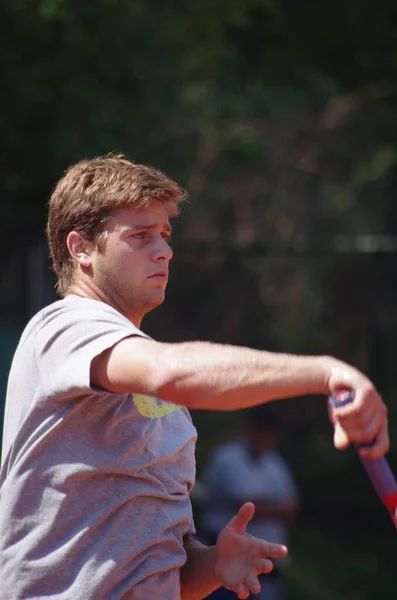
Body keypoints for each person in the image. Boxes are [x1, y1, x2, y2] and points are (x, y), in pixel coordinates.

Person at [0, 154, 389, 600]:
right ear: (81, 248)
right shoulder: (66, 326)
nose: (164, 250)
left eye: (164, 235)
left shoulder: (163, 405)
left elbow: (163, 575)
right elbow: (170, 372)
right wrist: (326, 372)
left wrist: (214, 564)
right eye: (140, 236)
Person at [200, 404, 299, 600]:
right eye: (259, 428)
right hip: (222, 555)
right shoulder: (227, 457)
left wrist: (268, 506)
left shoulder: (276, 464)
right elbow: (248, 506)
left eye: (268, 430)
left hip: (266, 562)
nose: (263, 434)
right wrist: (275, 507)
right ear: (248, 427)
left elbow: (292, 507)